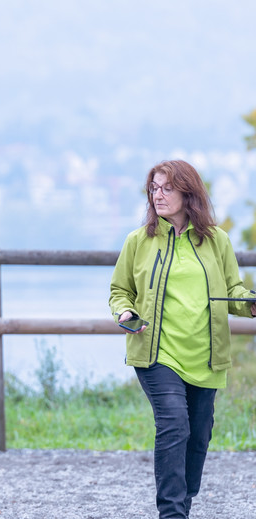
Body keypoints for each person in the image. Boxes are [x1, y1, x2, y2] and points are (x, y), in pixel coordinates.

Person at [109, 159, 256, 519]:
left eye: (167, 188)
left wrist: (250, 304)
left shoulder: (216, 240)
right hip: (156, 352)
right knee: (174, 424)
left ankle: (183, 503)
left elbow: (233, 290)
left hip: (206, 356)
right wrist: (125, 312)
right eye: (154, 188)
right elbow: (119, 290)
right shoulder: (138, 241)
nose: (158, 195)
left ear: (188, 193)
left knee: (198, 436)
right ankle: (172, 513)